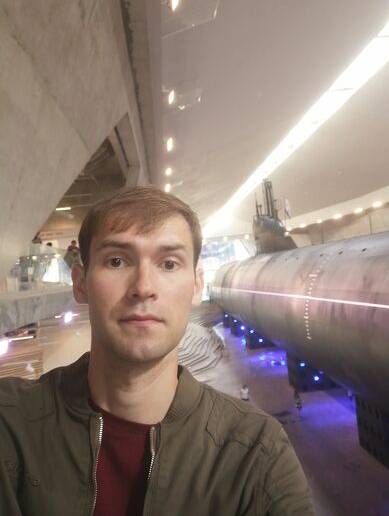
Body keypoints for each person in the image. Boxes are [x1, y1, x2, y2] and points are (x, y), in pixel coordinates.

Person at [0, 186, 315, 515]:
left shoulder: (257, 452)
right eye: (117, 261)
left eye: (168, 263)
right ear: (80, 283)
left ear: (197, 285)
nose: (143, 288)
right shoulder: (10, 422)